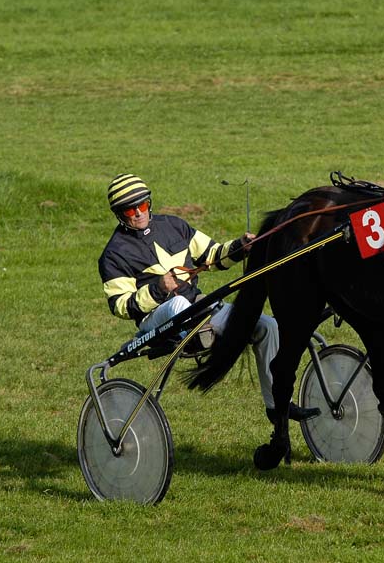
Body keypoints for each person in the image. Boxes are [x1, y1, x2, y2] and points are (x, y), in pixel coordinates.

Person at [98, 173, 319, 422]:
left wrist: (240, 247)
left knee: (268, 326)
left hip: (200, 310)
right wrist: (159, 289)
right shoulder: (113, 255)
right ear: (119, 214)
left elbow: (212, 255)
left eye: (142, 205)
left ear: (149, 202)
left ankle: (277, 405)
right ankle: (199, 334)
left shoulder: (174, 225)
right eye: (130, 210)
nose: (138, 213)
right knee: (178, 304)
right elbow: (120, 306)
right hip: (157, 320)